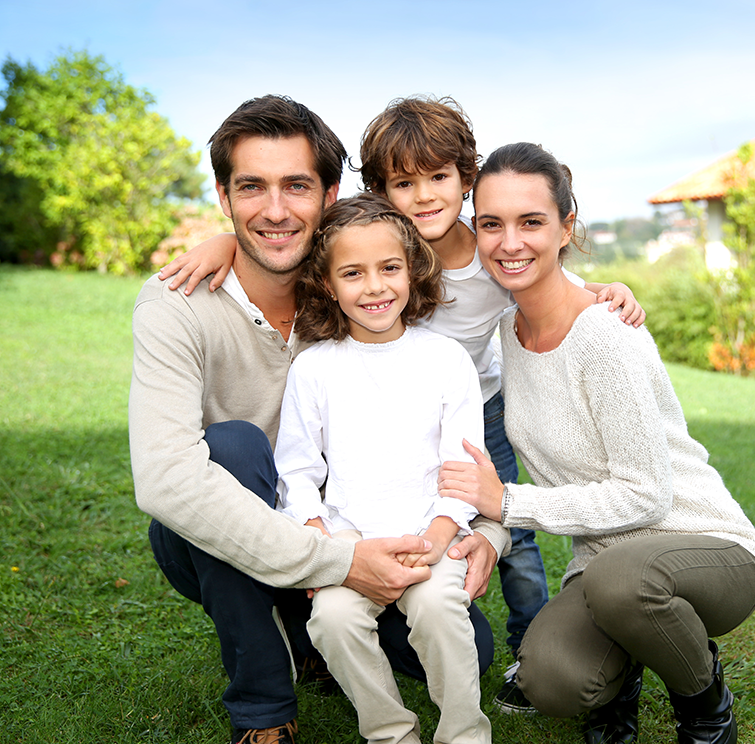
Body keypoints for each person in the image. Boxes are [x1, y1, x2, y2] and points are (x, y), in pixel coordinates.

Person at [159, 96, 646, 712]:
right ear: (381, 193)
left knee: (512, 538)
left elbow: (545, 273)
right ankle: (333, 626)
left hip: (478, 411)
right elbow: (286, 240)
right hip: (384, 421)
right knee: (370, 511)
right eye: (404, 183)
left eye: (439, 178)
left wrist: (606, 290)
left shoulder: (491, 255)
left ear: (466, 182)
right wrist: (221, 244)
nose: (423, 197)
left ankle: (529, 646)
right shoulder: (371, 249)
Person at [129, 95, 508, 744]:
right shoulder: (181, 300)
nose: (275, 210)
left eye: (296, 187)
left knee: (463, 640)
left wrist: (483, 534)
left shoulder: (344, 282)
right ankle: (265, 708)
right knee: (236, 449)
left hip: (388, 529)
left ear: (329, 196)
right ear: (223, 195)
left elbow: (460, 446)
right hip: (245, 533)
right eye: (251, 188)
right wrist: (333, 559)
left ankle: (317, 641)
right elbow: (170, 482)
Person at [437, 142, 755, 744]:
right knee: (549, 679)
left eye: (531, 222)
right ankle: (627, 668)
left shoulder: (606, 333)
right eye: (492, 224)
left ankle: (705, 704)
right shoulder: (507, 335)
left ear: (566, 227)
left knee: (624, 582)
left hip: (708, 549)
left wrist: (506, 503)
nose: (510, 242)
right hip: (605, 568)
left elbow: (645, 496)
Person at [276, 192, 491, 744]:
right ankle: (390, 733)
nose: (374, 287)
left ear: (413, 271)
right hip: (350, 541)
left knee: (442, 607)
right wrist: (318, 536)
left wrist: (441, 532)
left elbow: (462, 465)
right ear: (327, 283)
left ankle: (464, 733)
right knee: (333, 620)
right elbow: (297, 469)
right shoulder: (314, 368)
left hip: (430, 531)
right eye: (353, 272)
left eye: (390, 267)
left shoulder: (445, 359)